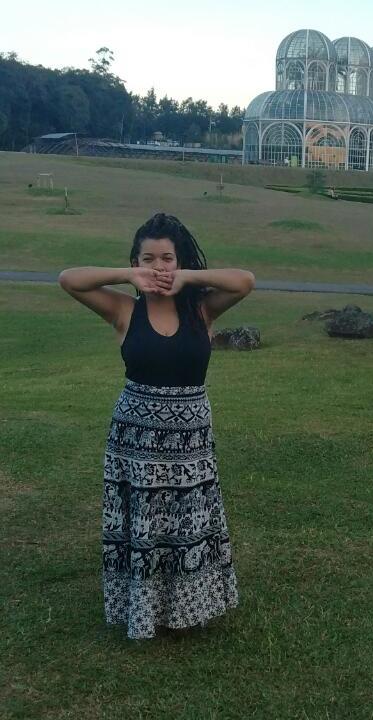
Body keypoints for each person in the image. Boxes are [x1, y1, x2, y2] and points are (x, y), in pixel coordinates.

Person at [58, 212, 254, 640]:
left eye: (167, 258)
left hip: (191, 443)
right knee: (145, 529)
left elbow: (245, 281)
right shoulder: (124, 310)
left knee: (187, 526)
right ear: (136, 262)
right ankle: (144, 612)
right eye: (148, 259)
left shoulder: (202, 310)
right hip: (136, 441)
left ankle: (188, 609)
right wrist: (128, 276)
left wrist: (187, 278)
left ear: (179, 261)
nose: (158, 267)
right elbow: (69, 279)